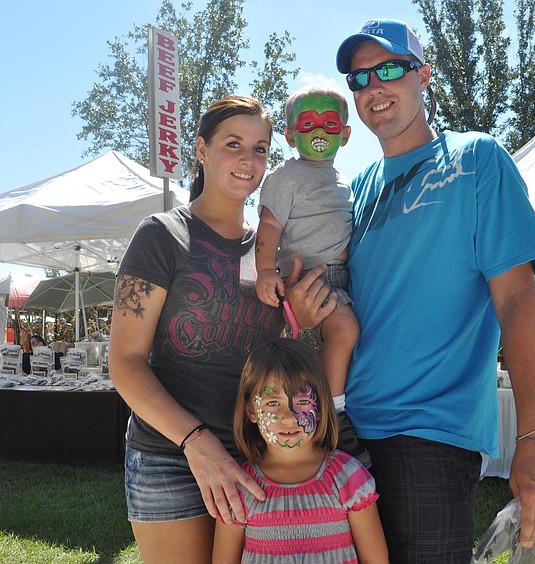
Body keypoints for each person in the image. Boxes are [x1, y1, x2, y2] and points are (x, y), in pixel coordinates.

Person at [334, 18, 535, 561]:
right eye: (359, 78)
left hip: (429, 436)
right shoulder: (359, 188)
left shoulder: (475, 158)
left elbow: (517, 299)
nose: (373, 86)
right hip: (345, 433)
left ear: (424, 76)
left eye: (390, 69)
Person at [108, 95, 336, 564]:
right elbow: (125, 362)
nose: (248, 160)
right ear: (201, 149)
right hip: (169, 458)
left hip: (260, 456)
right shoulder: (161, 235)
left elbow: (277, 363)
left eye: (260, 149)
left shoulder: (273, 255)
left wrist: (304, 325)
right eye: (233, 144)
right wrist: (197, 444)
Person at [255, 83, 369, 467]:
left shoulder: (344, 181)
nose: (319, 131)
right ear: (290, 135)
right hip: (306, 278)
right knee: (345, 330)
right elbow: (269, 226)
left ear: (345, 134)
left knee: (333, 344)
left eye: (329, 123)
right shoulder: (285, 176)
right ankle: (335, 413)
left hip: (340, 277)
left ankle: (314, 414)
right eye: (307, 124)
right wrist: (265, 270)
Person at [213, 338, 388, 563]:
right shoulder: (239, 487)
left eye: (303, 402)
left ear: (321, 405)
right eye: (273, 403)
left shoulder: (348, 477)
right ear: (251, 411)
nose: (289, 417)